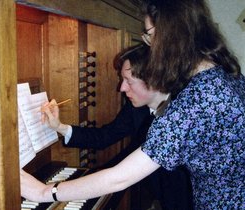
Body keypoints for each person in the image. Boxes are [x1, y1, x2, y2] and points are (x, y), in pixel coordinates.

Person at [21, 0, 245, 209]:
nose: (150, 46)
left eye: (149, 35)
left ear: (171, 35)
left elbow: (119, 177)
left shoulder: (199, 99)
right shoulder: (225, 75)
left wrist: (43, 192)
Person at [43, 43, 193, 210]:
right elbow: (105, 136)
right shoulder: (137, 108)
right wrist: (60, 127)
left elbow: (121, 172)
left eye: (128, 81)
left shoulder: (182, 115)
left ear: (155, 80)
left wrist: (48, 191)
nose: (121, 88)